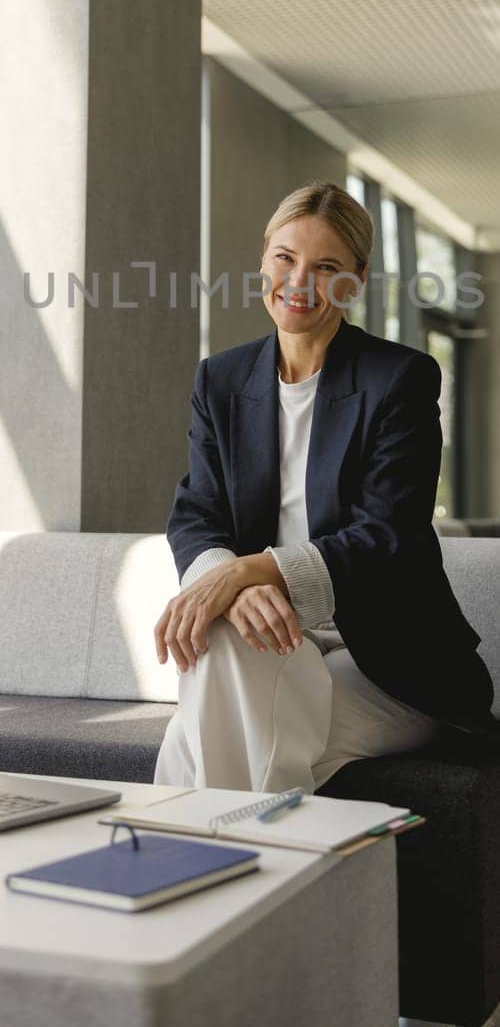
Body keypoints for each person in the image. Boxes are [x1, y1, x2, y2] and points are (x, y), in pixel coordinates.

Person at [153, 181, 493, 792]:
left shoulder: (400, 379)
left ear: (356, 280)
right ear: (263, 259)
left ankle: (194, 869)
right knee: (231, 659)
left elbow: (386, 534)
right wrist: (229, 585)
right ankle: (267, 874)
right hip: (275, 639)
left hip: (392, 666)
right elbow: (197, 514)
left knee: (212, 735)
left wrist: (247, 572)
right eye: (285, 258)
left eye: (327, 266)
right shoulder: (221, 381)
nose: (300, 281)